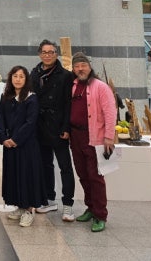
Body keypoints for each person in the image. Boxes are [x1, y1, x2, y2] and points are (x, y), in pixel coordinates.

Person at [69, 52, 116, 232]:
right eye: (77, 66)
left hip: (95, 137)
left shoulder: (101, 87)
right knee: (83, 174)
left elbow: (110, 113)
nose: (80, 69)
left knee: (95, 177)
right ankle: (90, 207)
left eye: (83, 65)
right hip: (76, 136)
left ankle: (100, 214)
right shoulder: (73, 86)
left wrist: (109, 136)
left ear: (89, 67)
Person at [30, 39, 76, 221]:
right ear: (39, 54)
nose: (47, 55)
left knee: (65, 166)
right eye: (44, 52)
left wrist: (66, 127)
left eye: (51, 52)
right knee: (45, 164)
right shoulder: (34, 73)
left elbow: (68, 103)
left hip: (58, 126)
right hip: (39, 126)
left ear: (56, 54)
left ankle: (68, 205)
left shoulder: (65, 76)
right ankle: (49, 198)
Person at [0, 66, 46, 227]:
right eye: (15, 76)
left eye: (21, 76)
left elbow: (30, 122)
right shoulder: (6, 96)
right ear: (10, 78)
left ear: (26, 79)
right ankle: (19, 206)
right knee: (14, 175)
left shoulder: (31, 98)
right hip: (9, 145)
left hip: (26, 145)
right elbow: (1, 118)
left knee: (27, 176)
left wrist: (15, 139)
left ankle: (29, 210)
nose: (18, 79)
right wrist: (4, 138)